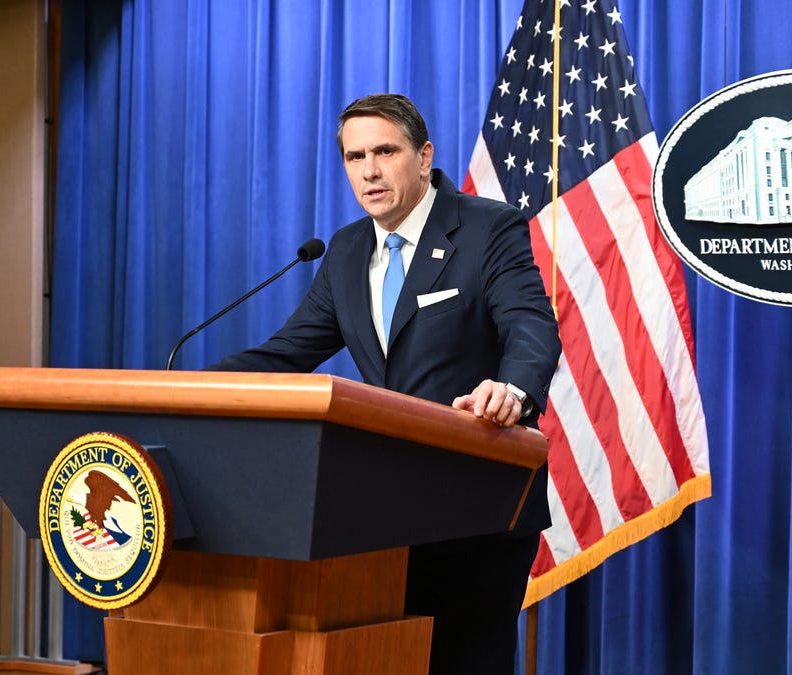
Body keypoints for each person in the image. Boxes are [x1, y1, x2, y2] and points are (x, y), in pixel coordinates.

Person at [208, 93, 561, 674]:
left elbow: (531, 326)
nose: (368, 171)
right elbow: (285, 355)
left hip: (476, 504)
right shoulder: (346, 249)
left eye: (384, 151)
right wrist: (186, 392)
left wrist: (512, 390)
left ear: (424, 156)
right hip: (379, 515)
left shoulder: (487, 228)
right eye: (354, 157)